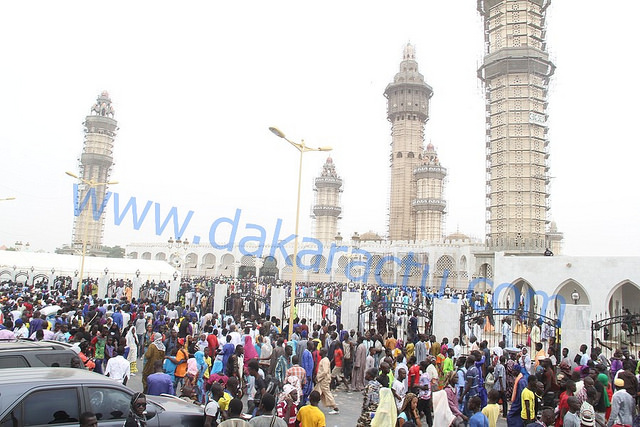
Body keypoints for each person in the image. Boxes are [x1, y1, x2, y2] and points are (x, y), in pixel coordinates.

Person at [314, 348, 339, 414]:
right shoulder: (324, 359)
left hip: (323, 380)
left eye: (321, 351)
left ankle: (335, 407)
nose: (319, 351)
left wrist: (318, 377)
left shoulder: (325, 360)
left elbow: (325, 371)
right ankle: (314, 405)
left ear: (323, 352)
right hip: (322, 380)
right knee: (317, 393)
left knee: (327, 393)